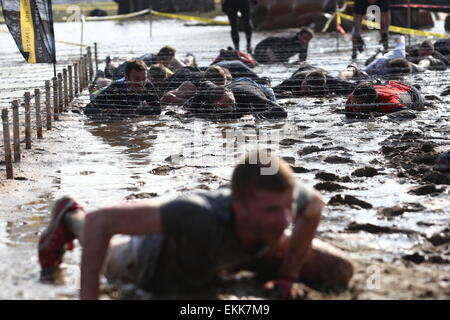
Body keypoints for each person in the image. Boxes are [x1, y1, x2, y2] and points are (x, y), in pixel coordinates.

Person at [38, 151, 354, 300]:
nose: (285, 219)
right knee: (108, 256)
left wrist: (287, 278)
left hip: (237, 249)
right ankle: (68, 215)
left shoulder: (283, 205)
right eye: (272, 210)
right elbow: (102, 221)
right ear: (238, 206)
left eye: (287, 208)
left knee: (337, 271)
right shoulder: (196, 215)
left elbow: (313, 206)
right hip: (154, 260)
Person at [84, 60, 161, 118]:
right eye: (137, 79)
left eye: (144, 78)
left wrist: (134, 112)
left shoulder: (147, 85)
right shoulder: (115, 89)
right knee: (100, 81)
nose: (141, 83)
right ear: (127, 77)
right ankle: (99, 74)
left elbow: (157, 110)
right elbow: (88, 110)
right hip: (99, 93)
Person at [184, 80, 287, 120]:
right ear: (215, 104)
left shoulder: (249, 96)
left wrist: (254, 116)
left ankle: (272, 87)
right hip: (232, 84)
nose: (230, 107)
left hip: (256, 87)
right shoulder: (207, 96)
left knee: (269, 93)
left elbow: (282, 111)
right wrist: (190, 111)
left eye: (230, 102)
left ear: (231, 94)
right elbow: (204, 84)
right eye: (224, 106)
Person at [273, 62, 357, 97]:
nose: (306, 91)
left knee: (341, 78)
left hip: (322, 72)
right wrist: (280, 94)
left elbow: (354, 86)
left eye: (311, 89)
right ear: (304, 81)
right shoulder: (292, 82)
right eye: (305, 86)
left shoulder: (328, 82)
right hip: (304, 69)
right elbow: (270, 91)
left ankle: (352, 68)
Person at [345, 80, 424, 116]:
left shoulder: (388, 102)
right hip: (387, 87)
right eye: (353, 102)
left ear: (371, 104)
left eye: (358, 104)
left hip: (409, 92)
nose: (353, 106)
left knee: (412, 103)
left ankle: (417, 87)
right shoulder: (351, 100)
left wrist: (384, 118)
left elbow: (410, 113)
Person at [161, 66, 228, 106]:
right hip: (181, 75)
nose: (218, 90)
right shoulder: (191, 86)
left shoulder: (226, 86)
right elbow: (166, 97)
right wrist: (190, 102)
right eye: (216, 86)